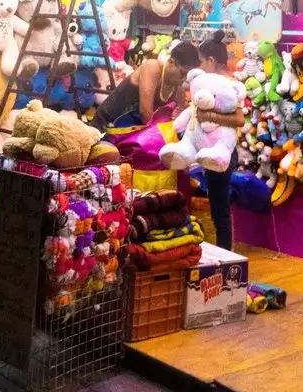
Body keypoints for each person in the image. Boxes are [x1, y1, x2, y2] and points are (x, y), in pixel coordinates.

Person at [194, 30, 241, 250]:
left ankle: (224, 255)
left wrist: (210, 116)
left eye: (202, 62)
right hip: (213, 150)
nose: (201, 66)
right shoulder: (210, 83)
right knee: (217, 207)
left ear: (211, 61)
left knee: (219, 210)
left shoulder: (225, 85)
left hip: (223, 152)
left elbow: (239, 118)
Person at [91, 40, 202, 131]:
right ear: (171, 62)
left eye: (187, 75)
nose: (184, 79)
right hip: (106, 125)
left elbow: (188, 114)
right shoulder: (152, 67)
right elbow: (145, 112)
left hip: (131, 132)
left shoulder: (178, 90)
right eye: (182, 73)